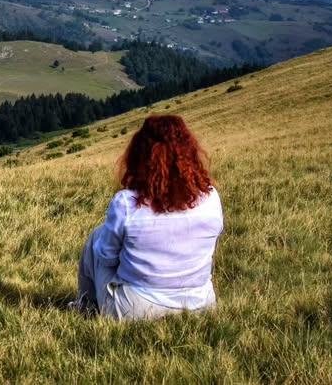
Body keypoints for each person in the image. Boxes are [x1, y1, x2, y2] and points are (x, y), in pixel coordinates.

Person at [72, 114, 224, 320]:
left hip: (135, 310)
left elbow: (105, 257)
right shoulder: (211, 197)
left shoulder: (126, 203)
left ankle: (86, 306)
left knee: (96, 239)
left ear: (139, 156)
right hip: (201, 305)